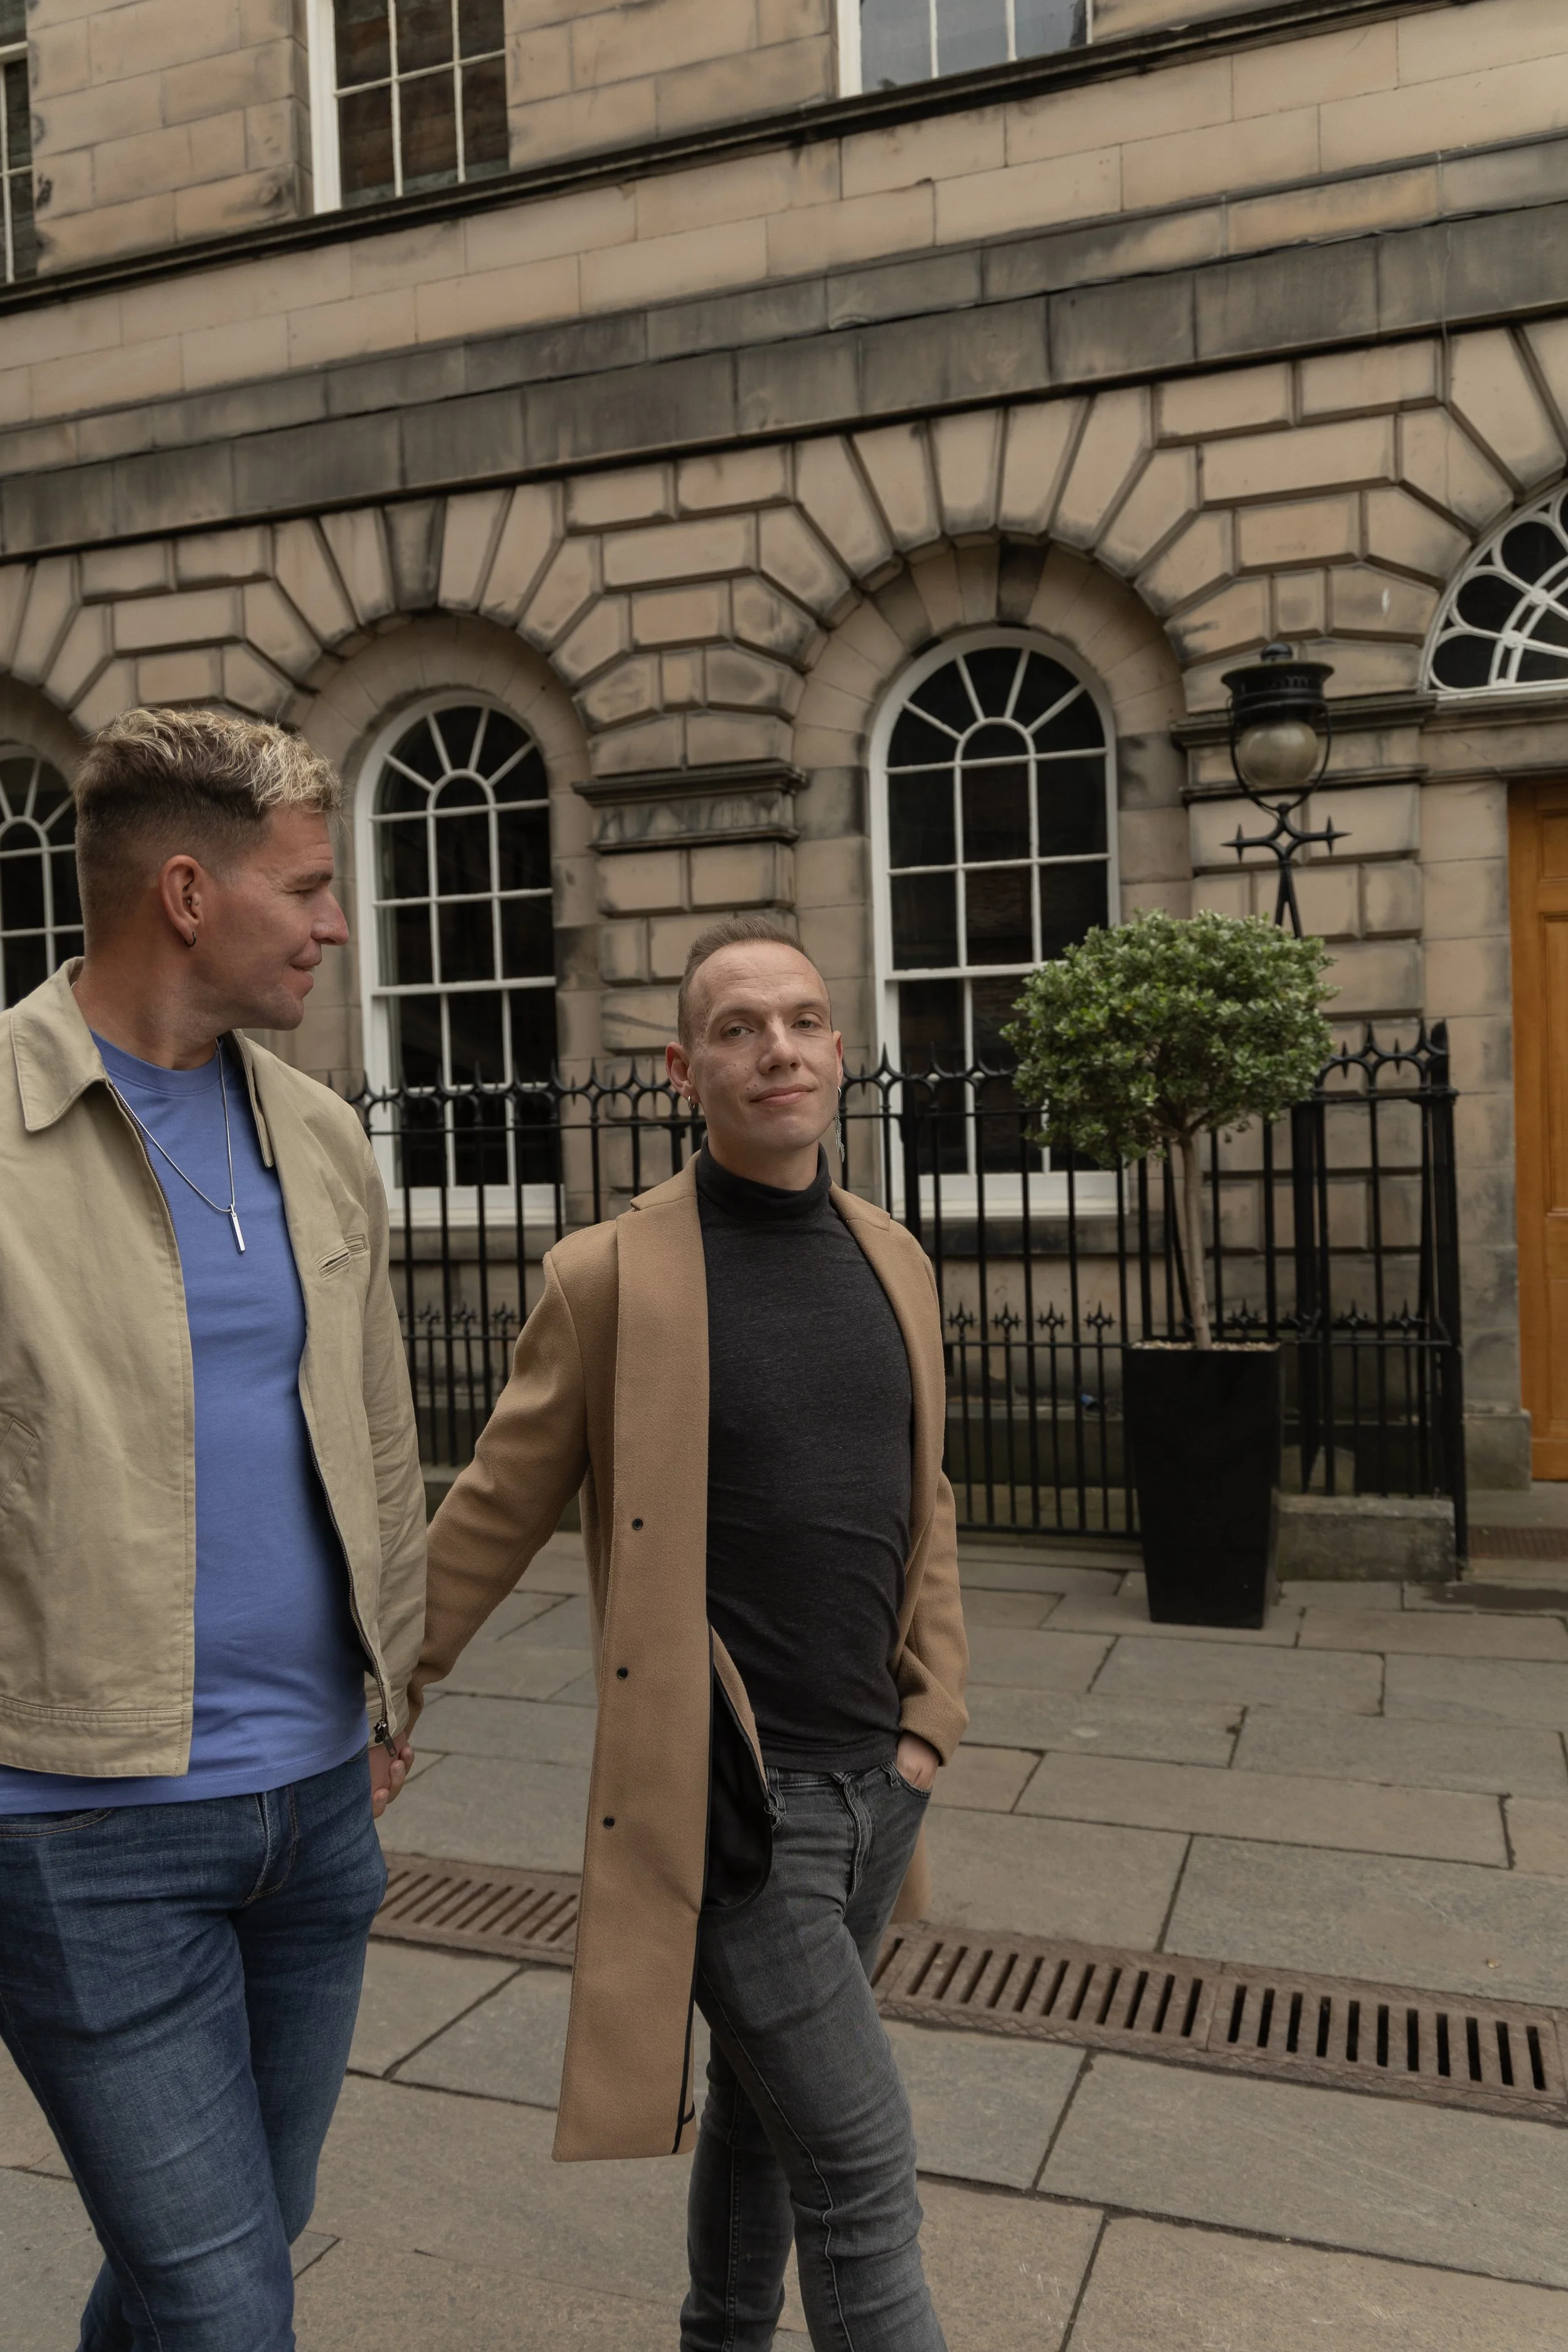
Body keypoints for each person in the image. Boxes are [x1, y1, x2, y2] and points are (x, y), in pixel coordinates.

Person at [415, 912, 968, 2350]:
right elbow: (492, 1507)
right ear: (681, 1069)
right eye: (736, 1028)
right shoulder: (613, 1275)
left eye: (799, 1020)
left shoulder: (892, 1256)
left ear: (839, 1047)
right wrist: (381, 1686)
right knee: (859, 2163)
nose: (774, 1049)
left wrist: (931, 1720)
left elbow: (930, 1498)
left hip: (874, 1789)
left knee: (764, 2107)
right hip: (732, 1806)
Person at [0, 707, 426, 2352]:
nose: (334, 923)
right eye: (309, 885)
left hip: (315, 1808)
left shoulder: (316, 1133)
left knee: (229, 2247)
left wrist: (396, 1676)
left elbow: (381, 1433)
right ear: (188, 890)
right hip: (79, 1825)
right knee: (226, 2295)